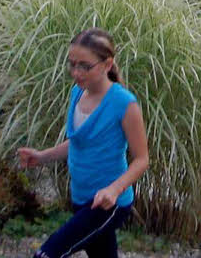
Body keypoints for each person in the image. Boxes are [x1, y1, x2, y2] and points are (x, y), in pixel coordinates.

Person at [18, 29, 148, 258]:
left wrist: (113, 190)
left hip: (107, 205)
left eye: (85, 66)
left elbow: (141, 160)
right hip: (81, 197)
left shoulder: (124, 104)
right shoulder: (77, 93)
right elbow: (80, 143)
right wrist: (42, 156)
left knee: (47, 254)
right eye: (72, 64)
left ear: (107, 64)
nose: (76, 73)